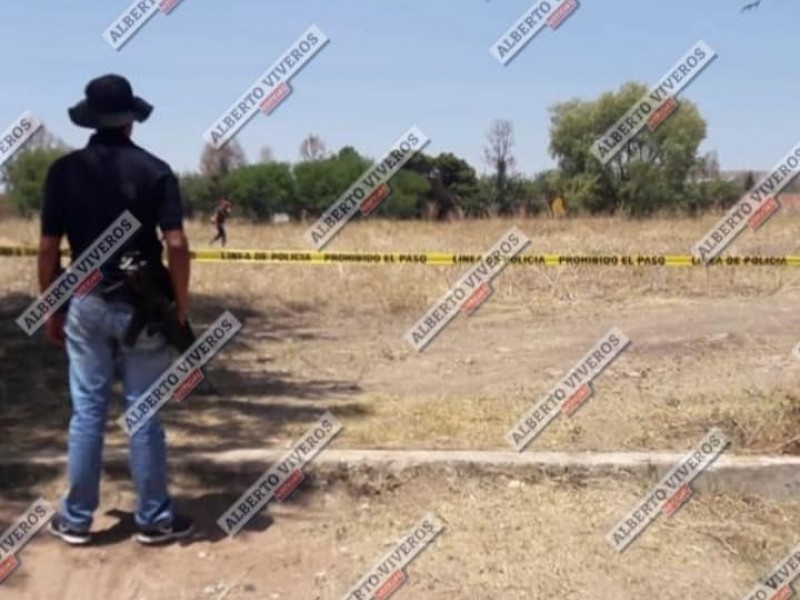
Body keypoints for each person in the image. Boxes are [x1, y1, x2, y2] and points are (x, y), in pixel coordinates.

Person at [38, 74, 194, 546]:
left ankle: (76, 519)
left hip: (85, 300)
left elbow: (48, 249)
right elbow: (177, 244)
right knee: (144, 413)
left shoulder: (63, 172)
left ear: (91, 119)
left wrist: (52, 309)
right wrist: (181, 305)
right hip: (144, 307)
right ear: (130, 121)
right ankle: (154, 518)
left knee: (87, 412)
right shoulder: (157, 171)